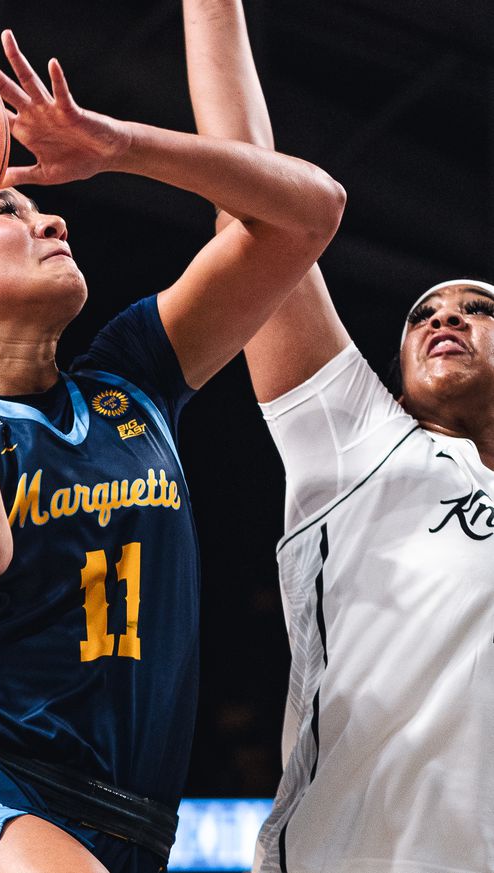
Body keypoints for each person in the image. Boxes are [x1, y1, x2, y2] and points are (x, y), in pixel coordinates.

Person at [0, 29, 344, 873]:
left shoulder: (134, 378)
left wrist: (118, 144)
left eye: (35, 204)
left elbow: (311, 211)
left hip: (133, 819)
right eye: (7, 213)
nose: (49, 215)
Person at [182, 2, 494, 871]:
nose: (448, 318)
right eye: (425, 313)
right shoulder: (363, 444)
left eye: (479, 309)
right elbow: (257, 213)